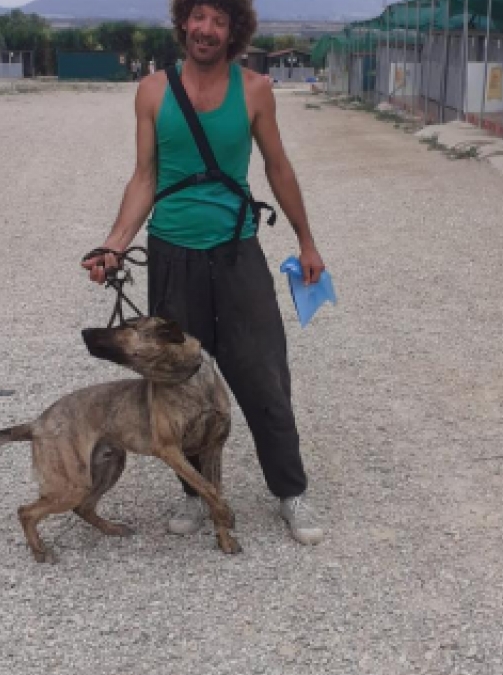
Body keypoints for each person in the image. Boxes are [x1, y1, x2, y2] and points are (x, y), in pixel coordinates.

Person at [82, 0, 326, 546]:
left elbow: (278, 168)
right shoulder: (152, 92)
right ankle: (194, 493)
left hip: (238, 253)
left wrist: (307, 241)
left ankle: (290, 492)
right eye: (198, 17)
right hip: (172, 255)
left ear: (233, 31)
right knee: (177, 382)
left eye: (219, 20)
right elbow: (144, 177)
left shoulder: (256, 90)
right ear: (183, 23)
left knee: (264, 375)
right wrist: (114, 245)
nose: (206, 29)